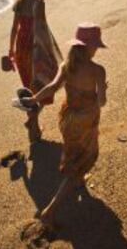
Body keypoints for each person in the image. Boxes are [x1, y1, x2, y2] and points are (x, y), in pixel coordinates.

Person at [23, 23, 107, 230]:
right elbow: (101, 102)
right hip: (86, 122)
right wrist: (102, 89)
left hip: (68, 120)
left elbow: (51, 88)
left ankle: (77, 181)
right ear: (89, 47)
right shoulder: (97, 70)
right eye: (95, 45)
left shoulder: (66, 66)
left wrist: (33, 99)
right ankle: (49, 212)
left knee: (72, 153)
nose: (96, 49)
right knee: (83, 159)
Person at [9, 0, 62, 142]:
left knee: (30, 87)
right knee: (44, 85)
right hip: (35, 49)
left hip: (20, 49)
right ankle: (32, 122)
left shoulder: (20, 3)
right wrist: (50, 51)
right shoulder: (39, 4)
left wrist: (11, 49)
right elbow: (41, 30)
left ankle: (33, 127)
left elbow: (14, 28)